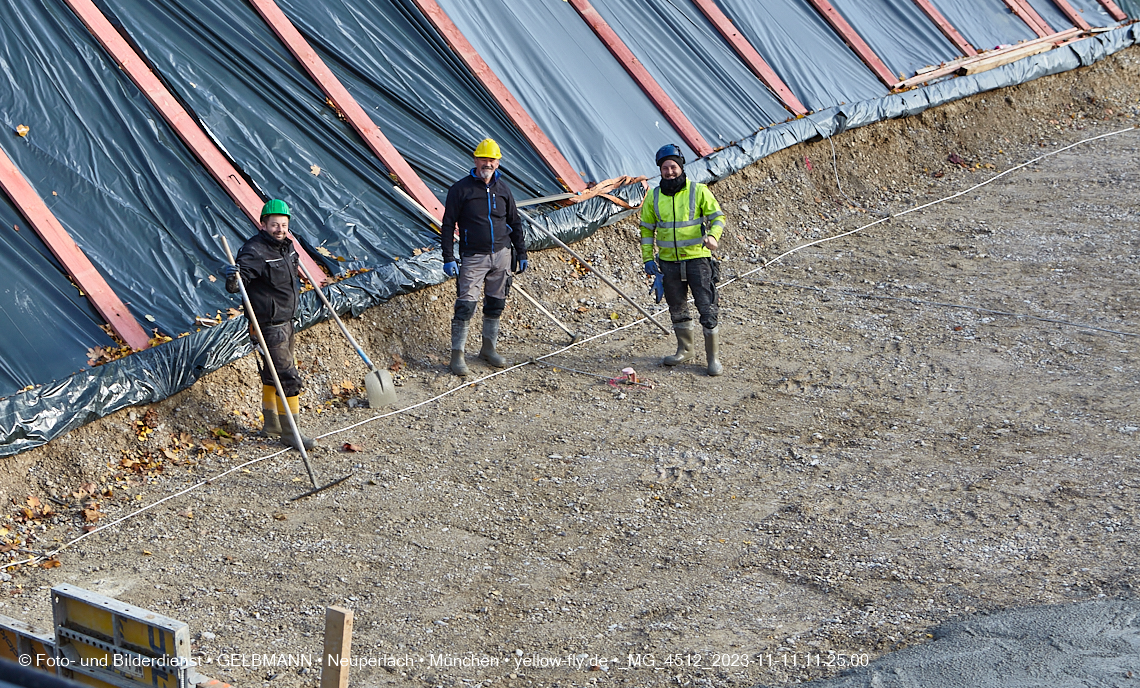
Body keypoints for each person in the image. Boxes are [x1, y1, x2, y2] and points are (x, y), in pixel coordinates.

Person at [224, 199, 316, 450]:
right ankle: (291, 433)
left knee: (272, 372)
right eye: (274, 224)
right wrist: (233, 277)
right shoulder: (254, 251)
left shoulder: (287, 247)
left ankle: (272, 425)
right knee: (286, 375)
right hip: (267, 323)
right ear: (263, 224)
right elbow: (236, 285)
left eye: (283, 224)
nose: (279, 229)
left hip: (286, 318)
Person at [440, 138, 528, 376]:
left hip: (502, 254)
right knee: (466, 305)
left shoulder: (503, 190)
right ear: (475, 159)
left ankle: (488, 349)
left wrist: (521, 252)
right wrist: (448, 256)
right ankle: (457, 356)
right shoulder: (460, 190)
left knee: (496, 303)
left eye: (491, 159)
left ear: (498, 163)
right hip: (473, 257)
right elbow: (448, 225)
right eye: (483, 159)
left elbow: (514, 222)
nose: (487, 163)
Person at [640, 144, 726, 376]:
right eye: (665, 168)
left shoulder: (698, 191)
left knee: (706, 308)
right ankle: (685, 350)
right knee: (677, 307)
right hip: (668, 263)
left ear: (681, 167)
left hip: (698, 260)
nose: (669, 172)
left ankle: (713, 359)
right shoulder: (654, 197)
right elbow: (647, 230)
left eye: (673, 167)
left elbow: (717, 217)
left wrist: (713, 236)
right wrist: (648, 259)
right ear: (660, 170)